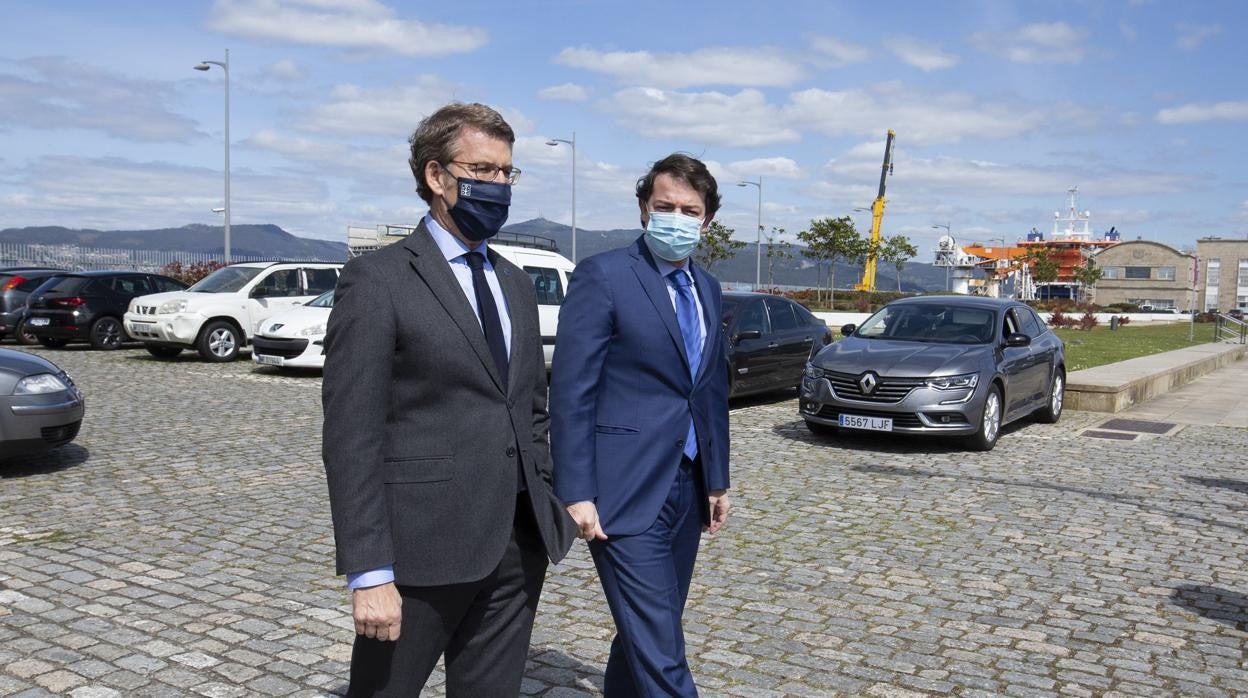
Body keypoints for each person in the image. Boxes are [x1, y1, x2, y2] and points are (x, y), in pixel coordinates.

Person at [321, 102, 575, 697]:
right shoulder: (379, 279)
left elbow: (530, 406)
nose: (498, 186)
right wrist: (369, 569)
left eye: (507, 173)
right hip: (419, 552)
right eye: (483, 170)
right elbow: (351, 435)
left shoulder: (513, 280)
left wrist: (547, 498)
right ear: (437, 177)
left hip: (516, 544)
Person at [549, 153, 732, 696]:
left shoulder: (709, 288)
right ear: (643, 209)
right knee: (661, 649)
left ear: (707, 221)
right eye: (664, 206)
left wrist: (716, 478)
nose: (676, 217)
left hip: (687, 483)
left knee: (652, 625)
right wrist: (576, 489)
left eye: (689, 209)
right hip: (623, 488)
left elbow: (709, 391)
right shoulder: (604, 276)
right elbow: (571, 390)